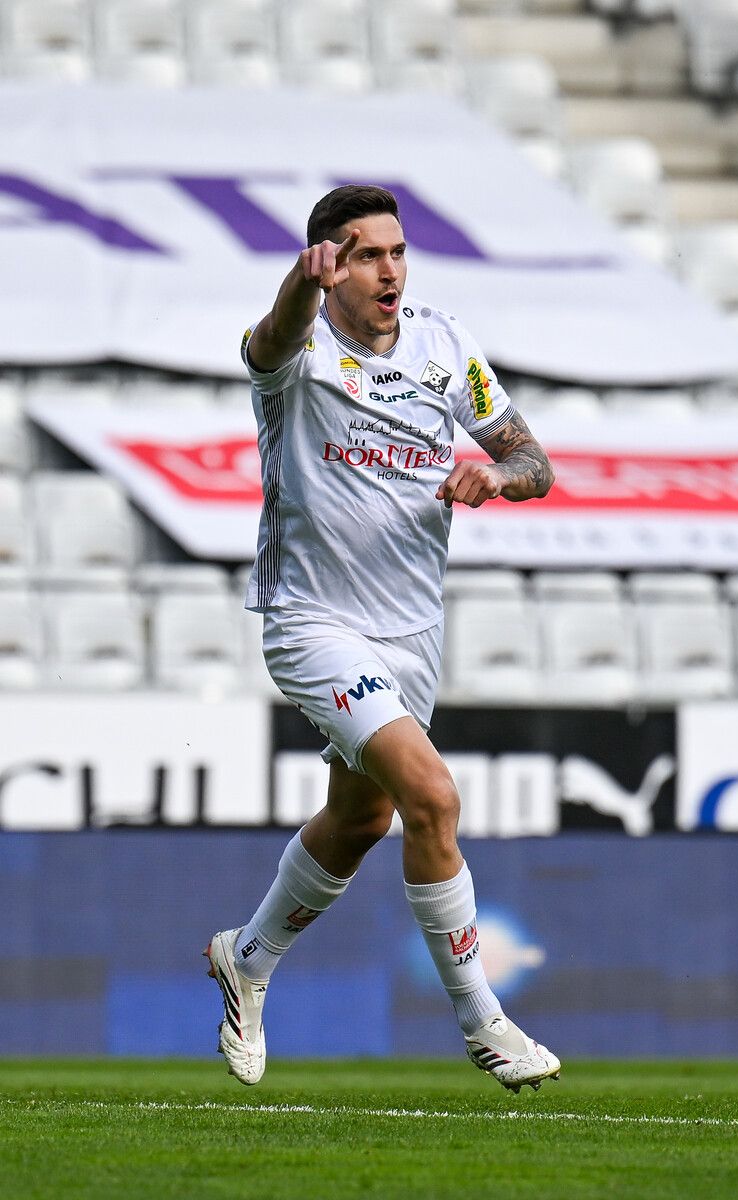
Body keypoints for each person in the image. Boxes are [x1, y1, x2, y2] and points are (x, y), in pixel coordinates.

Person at [204, 184, 560, 1094]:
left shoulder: (444, 345)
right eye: (366, 255)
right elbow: (271, 338)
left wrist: (497, 478)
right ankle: (481, 1020)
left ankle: (247, 958)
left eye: (396, 252)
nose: (389, 270)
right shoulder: (299, 351)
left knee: (361, 819)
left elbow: (533, 461)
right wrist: (299, 284)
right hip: (312, 619)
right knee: (431, 798)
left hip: (410, 632)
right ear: (330, 268)